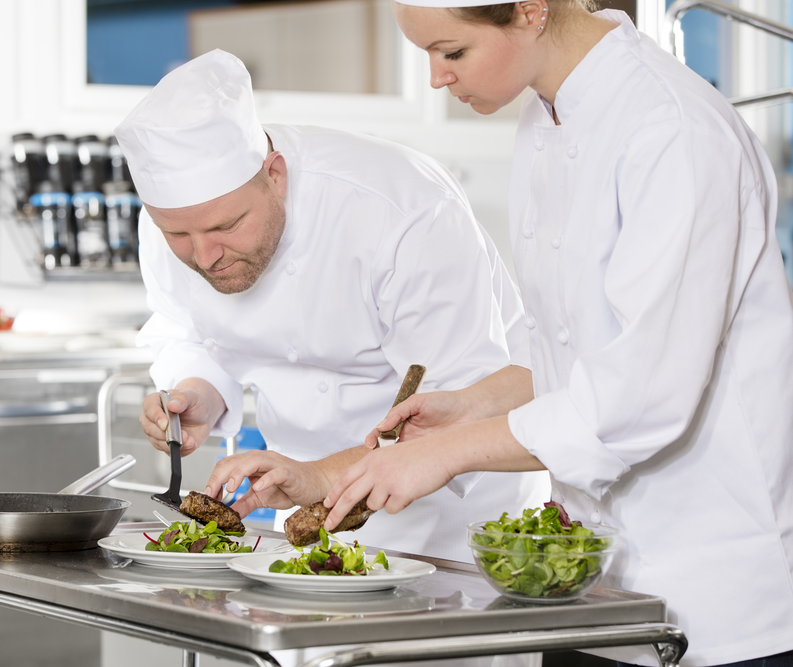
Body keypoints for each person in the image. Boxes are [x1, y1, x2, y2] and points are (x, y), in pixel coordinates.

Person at [226, 1, 793, 666]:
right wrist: (472, 405)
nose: (436, 78)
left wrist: (449, 452)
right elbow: (563, 346)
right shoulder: (544, 118)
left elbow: (640, 397)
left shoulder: (673, 132)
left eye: (452, 51)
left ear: (530, 11)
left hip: (716, 595)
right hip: (586, 583)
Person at [114, 48, 550, 563]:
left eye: (227, 227)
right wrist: (197, 397)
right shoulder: (175, 214)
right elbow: (187, 329)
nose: (204, 255)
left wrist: (322, 474)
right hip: (297, 507)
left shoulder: (401, 209)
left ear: (274, 174)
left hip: (448, 522)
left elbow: (455, 405)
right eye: (178, 234)